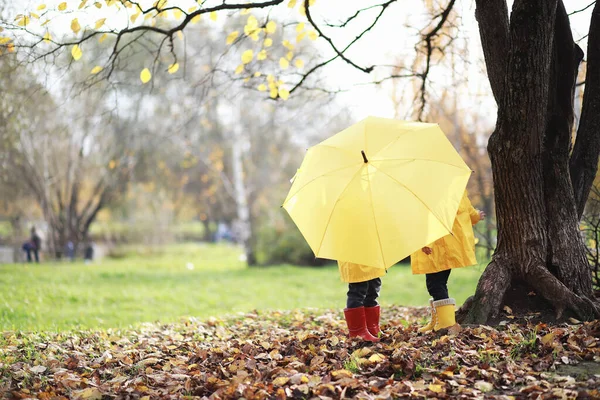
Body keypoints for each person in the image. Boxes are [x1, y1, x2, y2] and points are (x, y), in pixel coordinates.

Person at [411, 191, 485, 332]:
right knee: (438, 283)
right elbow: (468, 211)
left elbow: (435, 221)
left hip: (437, 249)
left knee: (435, 285)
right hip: (445, 249)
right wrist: (476, 216)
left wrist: (427, 243)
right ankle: (439, 321)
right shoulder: (457, 192)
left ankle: (446, 324)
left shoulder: (438, 195)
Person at [338, 261, 386, 342]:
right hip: (355, 259)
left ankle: (372, 328)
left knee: (373, 289)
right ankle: (358, 333)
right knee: (358, 291)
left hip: (371, 258)